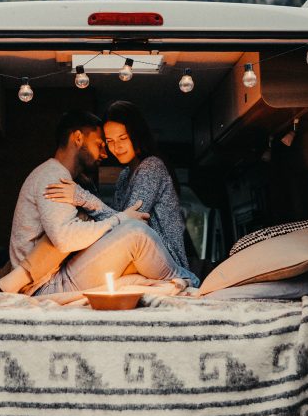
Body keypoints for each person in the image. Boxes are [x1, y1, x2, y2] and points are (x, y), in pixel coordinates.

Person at [0, 109, 196, 296]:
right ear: (78, 138)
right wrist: (117, 218)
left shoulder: (149, 167)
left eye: (122, 138)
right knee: (136, 234)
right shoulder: (54, 177)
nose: (106, 152)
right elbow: (67, 237)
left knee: (133, 253)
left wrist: (88, 201)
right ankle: (188, 280)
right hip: (45, 283)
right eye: (103, 143)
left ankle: (180, 280)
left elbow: (125, 224)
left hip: (53, 276)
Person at [45, 100, 198, 285]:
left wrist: (82, 198)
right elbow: (118, 224)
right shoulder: (124, 176)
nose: (116, 147)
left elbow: (131, 225)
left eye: (123, 138)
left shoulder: (152, 167)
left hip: (167, 258)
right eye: (110, 141)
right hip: (139, 255)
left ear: (136, 135)